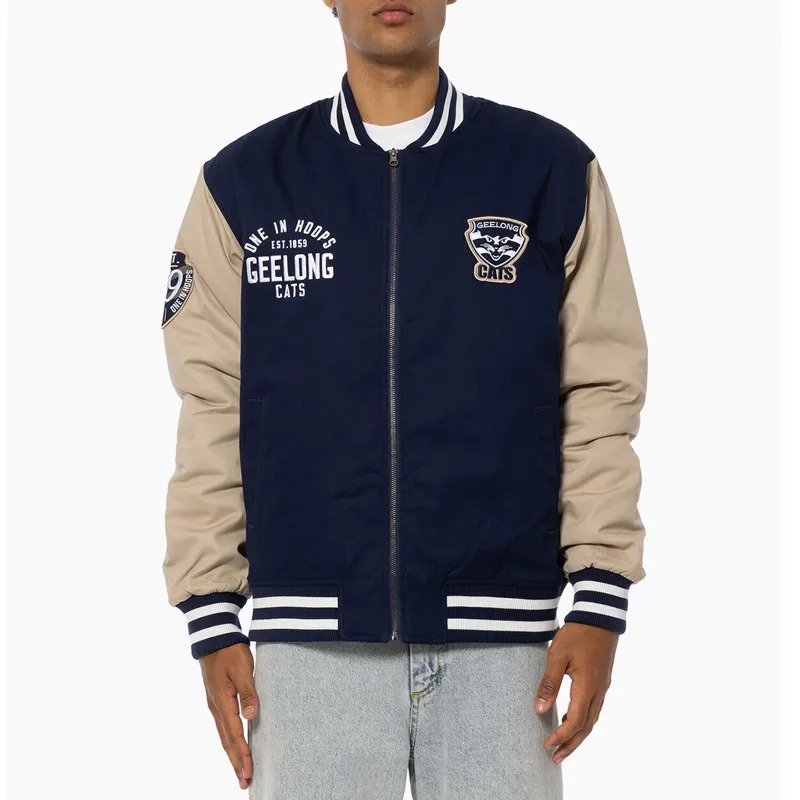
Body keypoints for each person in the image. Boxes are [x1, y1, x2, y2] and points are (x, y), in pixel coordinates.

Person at [160, 1, 648, 797]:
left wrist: (599, 596)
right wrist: (210, 610)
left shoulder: (549, 170)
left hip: (507, 646)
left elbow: (600, 392)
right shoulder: (244, 184)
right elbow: (211, 403)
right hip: (308, 648)